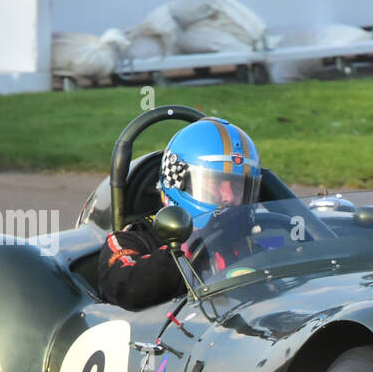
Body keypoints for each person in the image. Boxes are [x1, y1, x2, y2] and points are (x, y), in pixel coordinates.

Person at [98, 117, 261, 310]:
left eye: (236, 185)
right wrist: (189, 247)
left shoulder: (258, 235)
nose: (229, 197)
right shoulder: (130, 240)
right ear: (177, 181)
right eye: (216, 183)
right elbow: (128, 288)